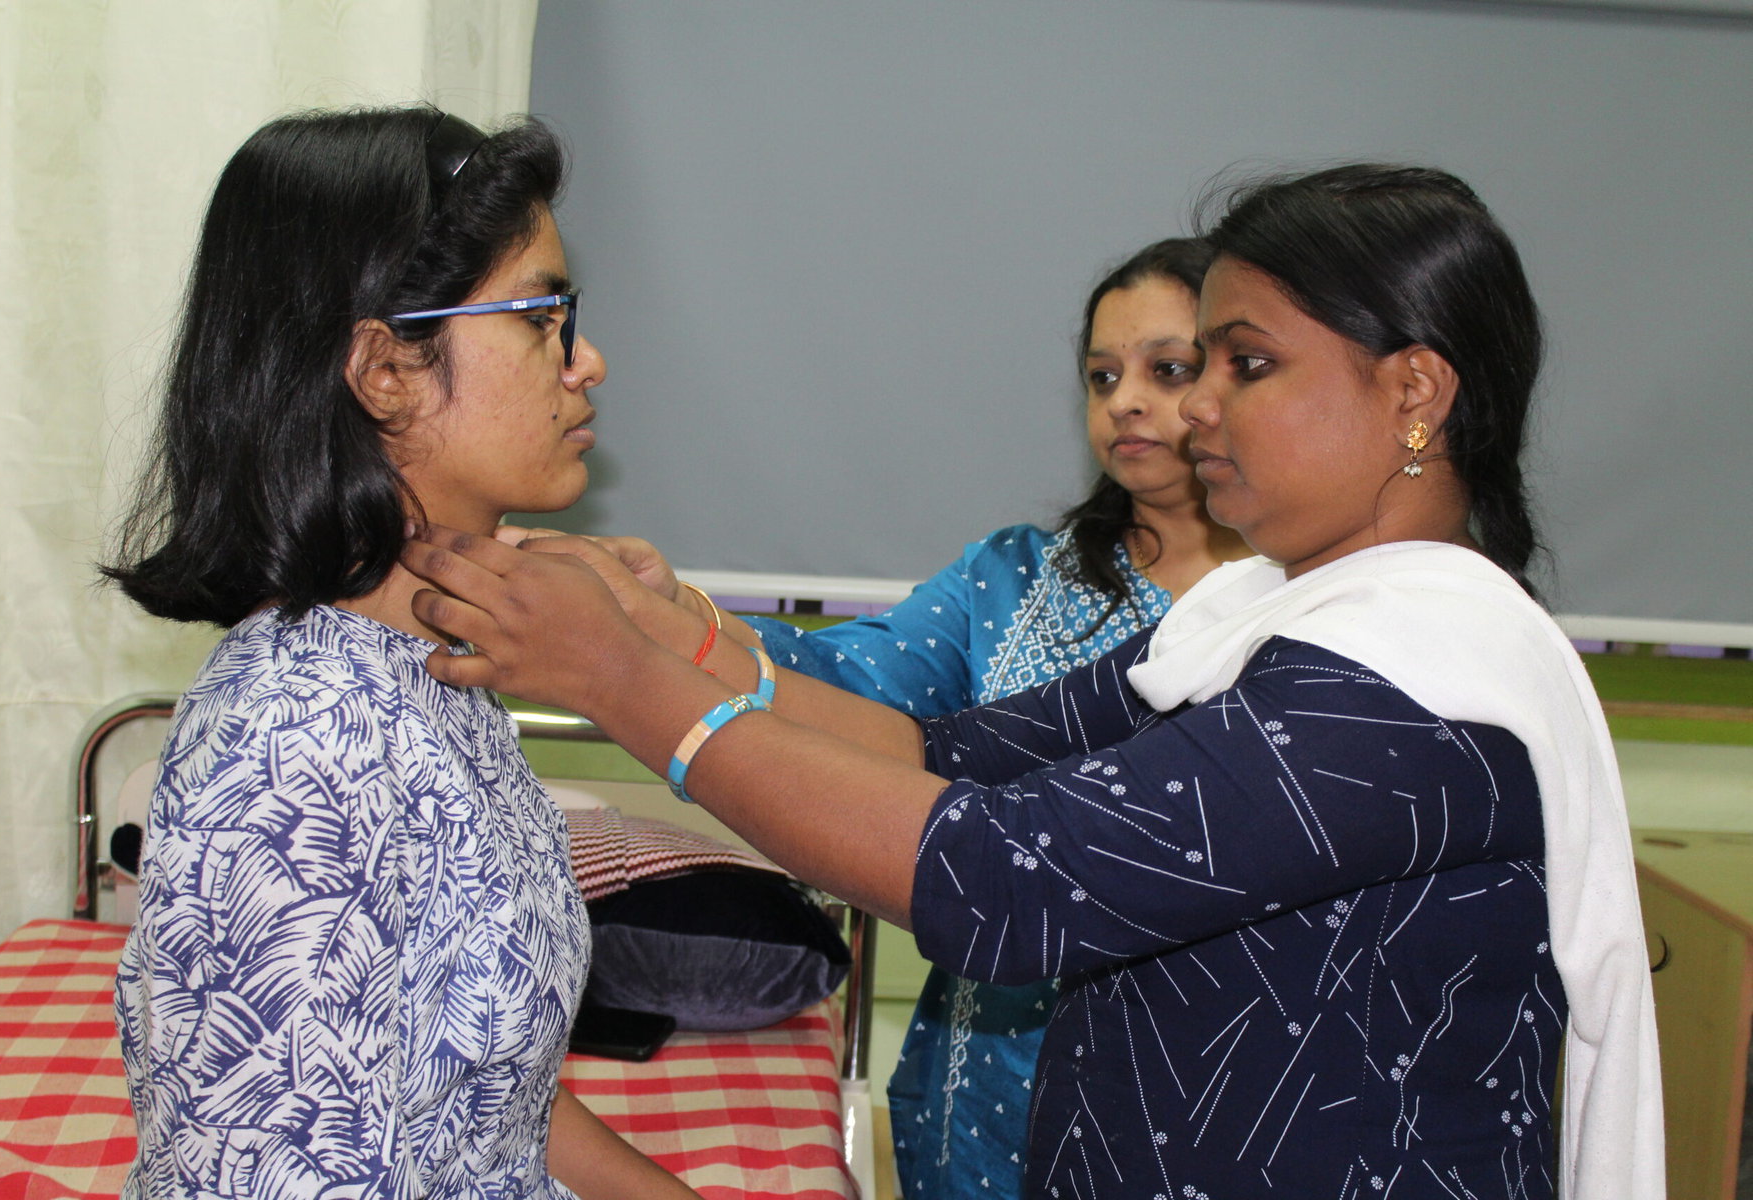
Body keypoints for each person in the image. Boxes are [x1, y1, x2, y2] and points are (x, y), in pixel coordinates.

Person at [400, 164, 1661, 1198]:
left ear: (1413, 394)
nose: (1195, 413)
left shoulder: (1411, 689)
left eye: (1245, 366)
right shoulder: (1258, 620)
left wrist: (622, 682)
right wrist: (667, 638)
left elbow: (1006, 886)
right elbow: (937, 758)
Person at [104, 106, 701, 1199]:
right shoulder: (290, 757)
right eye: (542, 317)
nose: (587, 359)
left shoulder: (433, 664)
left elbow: (488, 1095)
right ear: (385, 371)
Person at [719, 238, 1245, 1199]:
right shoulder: (1014, 577)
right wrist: (671, 619)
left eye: (1167, 370)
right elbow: (845, 677)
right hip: (984, 1082)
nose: (1125, 399)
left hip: (1204, 1090)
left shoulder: (1302, 616)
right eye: (1102, 375)